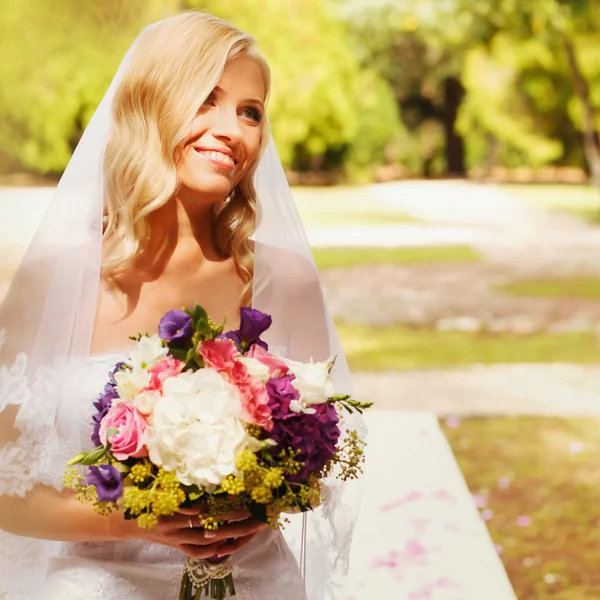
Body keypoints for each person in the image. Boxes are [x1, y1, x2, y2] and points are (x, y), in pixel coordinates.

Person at [0, 11, 362, 600]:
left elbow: (319, 461)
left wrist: (258, 497)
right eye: (207, 100)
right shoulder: (51, 282)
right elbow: (5, 492)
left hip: (253, 583)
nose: (234, 130)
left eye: (251, 111)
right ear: (149, 105)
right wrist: (142, 518)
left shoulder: (283, 280)